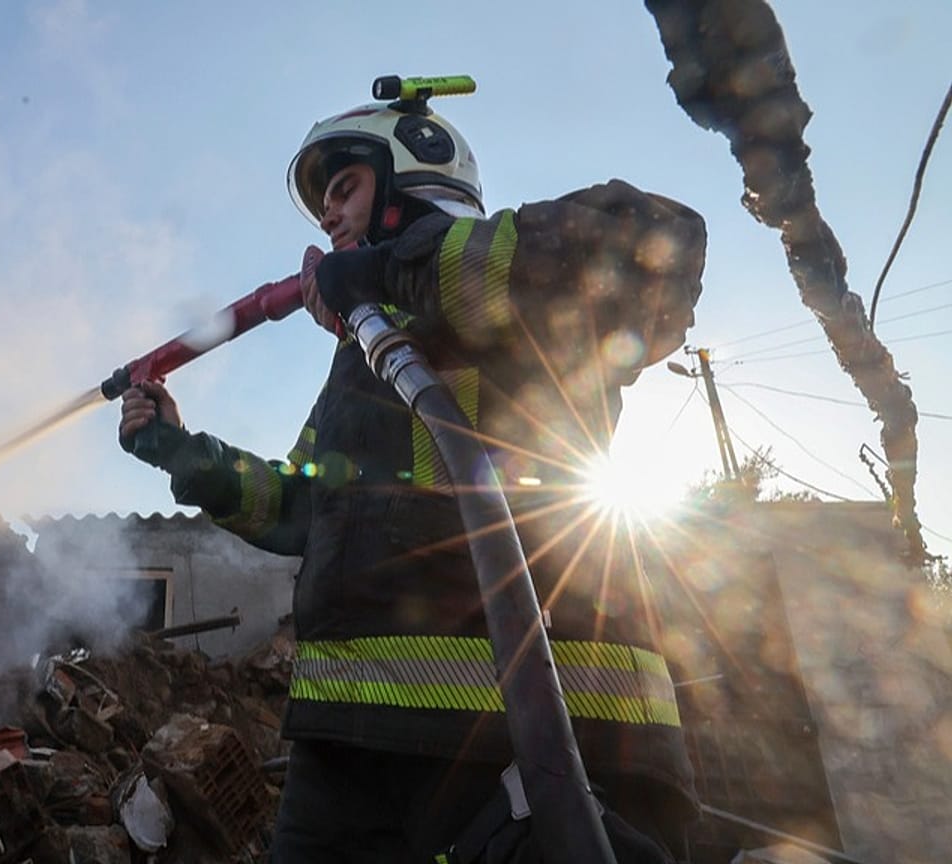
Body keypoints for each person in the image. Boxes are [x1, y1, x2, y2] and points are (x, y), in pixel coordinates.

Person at [119, 93, 706, 863]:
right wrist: (178, 450)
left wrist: (394, 267)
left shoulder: (510, 286)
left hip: (531, 733)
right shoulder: (361, 359)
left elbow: (657, 244)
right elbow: (300, 509)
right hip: (351, 741)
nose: (328, 217)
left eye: (344, 188)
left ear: (410, 175)